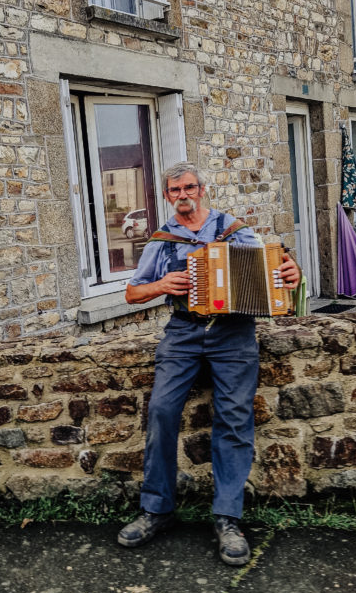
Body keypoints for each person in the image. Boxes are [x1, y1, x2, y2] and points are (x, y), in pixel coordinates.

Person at [116, 162, 301, 565]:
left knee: (234, 418)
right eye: (174, 190)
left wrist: (292, 272)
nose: (182, 195)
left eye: (189, 187)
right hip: (183, 332)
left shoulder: (235, 231)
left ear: (201, 190)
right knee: (161, 410)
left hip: (234, 334)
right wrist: (161, 285)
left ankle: (227, 518)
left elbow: (277, 269)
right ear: (167, 196)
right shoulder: (162, 240)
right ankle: (156, 510)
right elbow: (132, 293)